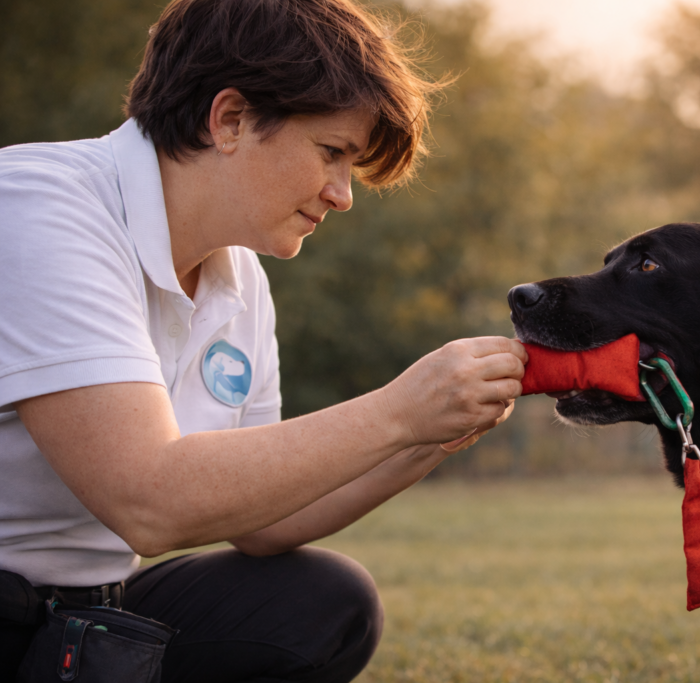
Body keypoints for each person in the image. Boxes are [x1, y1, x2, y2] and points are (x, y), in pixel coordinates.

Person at [0, 0, 527, 680]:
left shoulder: (239, 274)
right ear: (231, 119)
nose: (343, 194)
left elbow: (266, 522)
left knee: (322, 601)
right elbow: (145, 499)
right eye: (332, 152)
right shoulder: (39, 207)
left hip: (78, 613)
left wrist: (427, 434)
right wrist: (399, 408)